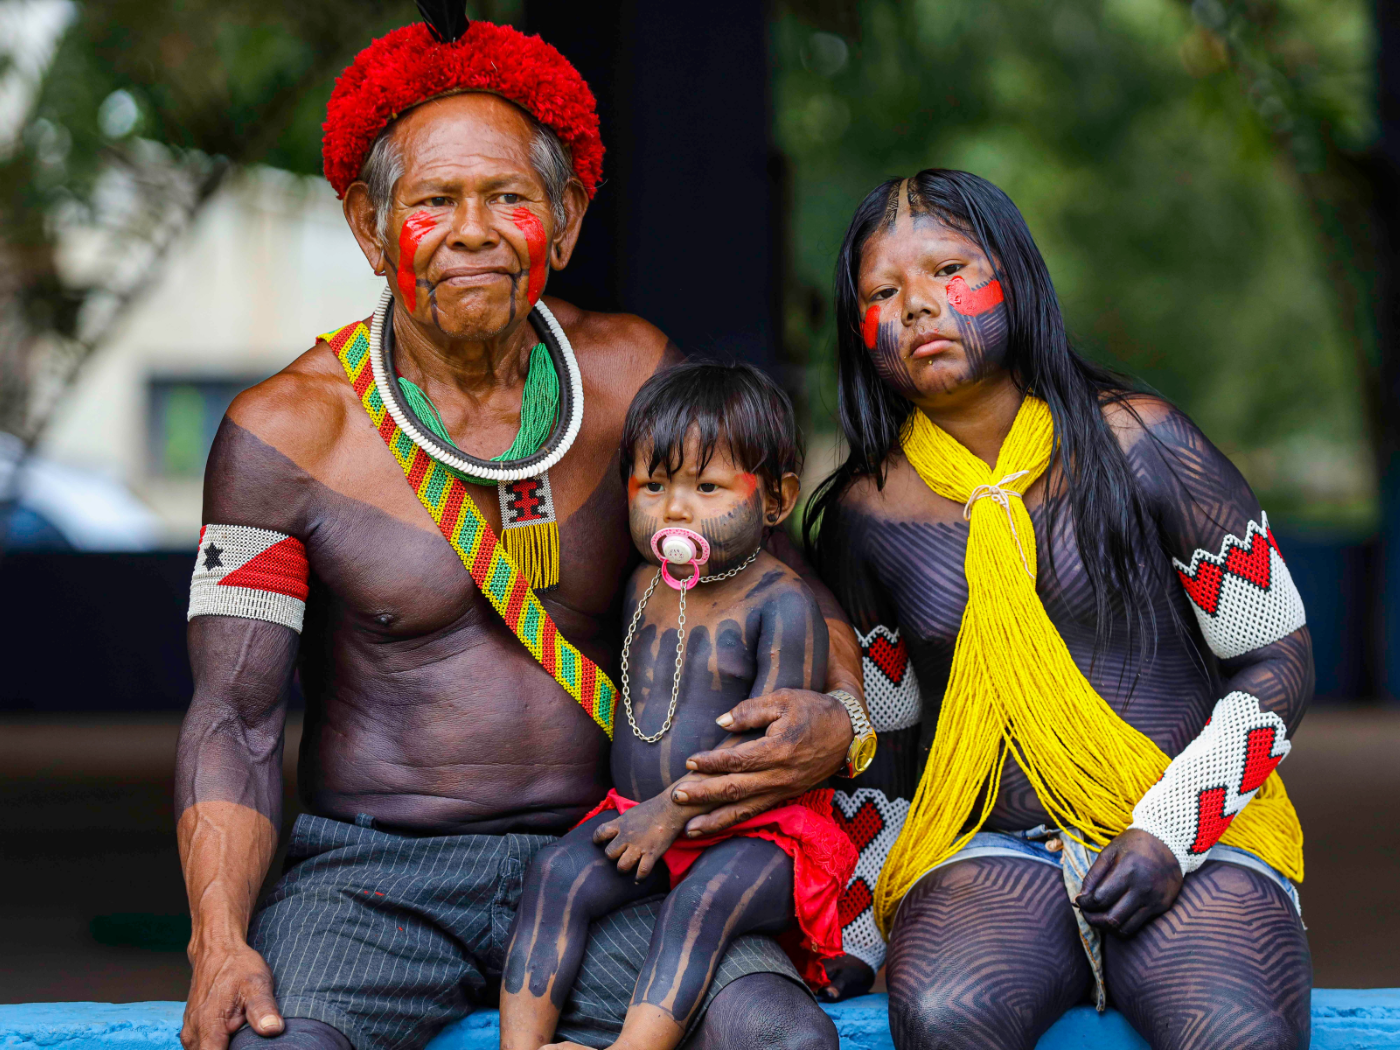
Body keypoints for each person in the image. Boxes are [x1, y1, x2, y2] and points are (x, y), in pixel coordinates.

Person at [175, 9, 871, 1050]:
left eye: (508, 198)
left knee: (778, 1038)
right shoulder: (286, 436)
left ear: (569, 218)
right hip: (372, 879)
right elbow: (233, 718)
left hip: (620, 850)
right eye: (432, 202)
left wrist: (841, 720)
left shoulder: (634, 377)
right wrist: (218, 940)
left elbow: (788, 589)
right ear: (370, 229)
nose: (472, 231)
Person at [807, 169, 1312, 1049]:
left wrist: (1170, 830)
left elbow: (1281, 660)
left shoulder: (1145, 444)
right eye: (883, 293)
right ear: (859, 330)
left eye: (948, 271)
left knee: (1236, 1030)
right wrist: (849, 936)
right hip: (987, 853)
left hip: (1192, 835)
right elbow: (885, 754)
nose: (917, 307)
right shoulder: (866, 517)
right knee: (942, 1014)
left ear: (1018, 277)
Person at [499, 363, 860, 1050]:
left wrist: (671, 811)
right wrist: (650, 817)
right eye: (654, 486)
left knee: (701, 904)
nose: (673, 510)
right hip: (639, 818)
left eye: (708, 487)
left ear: (777, 499)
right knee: (554, 875)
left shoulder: (782, 603)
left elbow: (768, 757)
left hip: (757, 832)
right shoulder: (641, 584)